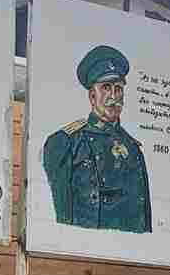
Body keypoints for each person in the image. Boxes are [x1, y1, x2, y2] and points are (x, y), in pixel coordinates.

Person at [42, 44, 152, 232]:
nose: (113, 96)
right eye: (106, 88)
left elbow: (143, 214)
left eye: (118, 89)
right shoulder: (66, 142)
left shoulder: (133, 147)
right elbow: (62, 217)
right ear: (92, 96)